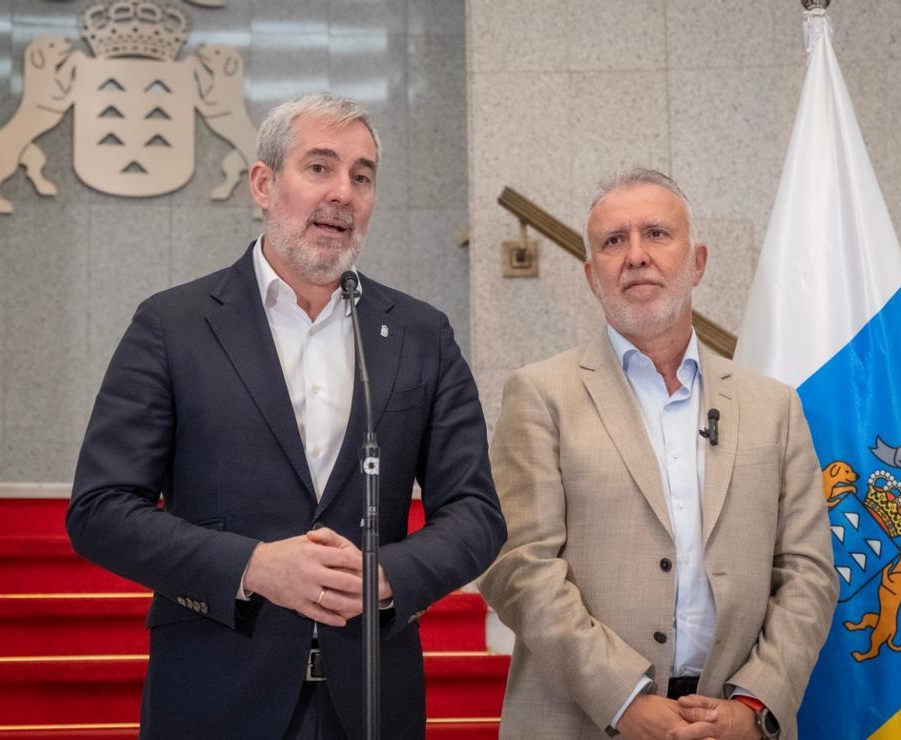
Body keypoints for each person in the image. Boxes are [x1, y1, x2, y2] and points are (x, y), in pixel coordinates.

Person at [67, 92, 506, 740]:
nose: (344, 193)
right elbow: (100, 510)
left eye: (362, 176)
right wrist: (253, 566)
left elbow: (476, 512)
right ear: (264, 184)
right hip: (216, 694)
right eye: (320, 168)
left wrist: (387, 575)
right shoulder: (172, 326)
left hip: (373, 701)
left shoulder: (420, 334)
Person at [478, 169, 836, 740]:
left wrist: (754, 702)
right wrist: (624, 698)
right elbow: (518, 568)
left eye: (656, 234)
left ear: (697, 262)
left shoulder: (774, 406)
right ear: (592, 275)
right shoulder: (540, 394)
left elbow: (808, 572)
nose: (636, 256)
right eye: (613, 241)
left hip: (735, 721)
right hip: (584, 720)